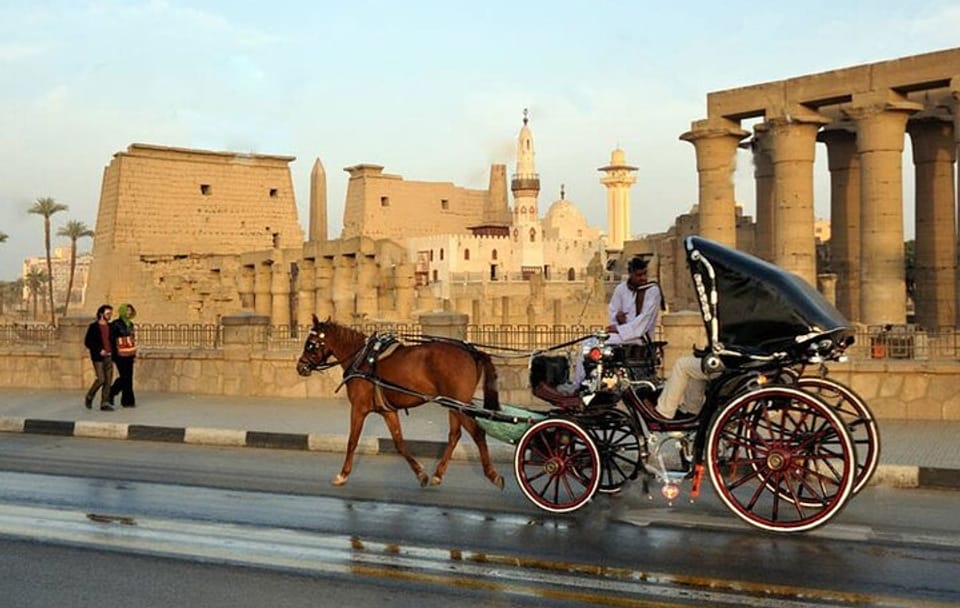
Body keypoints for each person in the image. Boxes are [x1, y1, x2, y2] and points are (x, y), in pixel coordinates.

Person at [605, 256, 664, 345]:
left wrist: (620, 330)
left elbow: (645, 319)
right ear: (630, 274)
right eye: (639, 275)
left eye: (645, 274)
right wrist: (617, 317)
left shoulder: (652, 291)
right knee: (590, 343)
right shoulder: (621, 289)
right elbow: (613, 310)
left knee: (604, 343)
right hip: (621, 334)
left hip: (641, 337)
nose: (643, 278)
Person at [83, 304, 115, 411]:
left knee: (108, 380)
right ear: (101, 314)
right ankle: (90, 395)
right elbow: (88, 342)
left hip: (109, 356)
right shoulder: (94, 327)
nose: (110, 315)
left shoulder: (110, 327)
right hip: (98, 357)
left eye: (111, 313)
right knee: (101, 379)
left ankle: (104, 403)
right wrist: (99, 350)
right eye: (108, 313)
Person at [109, 303, 138, 408]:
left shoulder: (130, 324)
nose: (128, 312)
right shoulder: (116, 324)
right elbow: (111, 339)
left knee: (128, 377)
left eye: (130, 310)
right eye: (126, 310)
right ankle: (112, 392)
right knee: (125, 377)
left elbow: (132, 339)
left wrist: (133, 354)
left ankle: (128, 401)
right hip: (119, 354)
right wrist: (113, 353)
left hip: (129, 353)